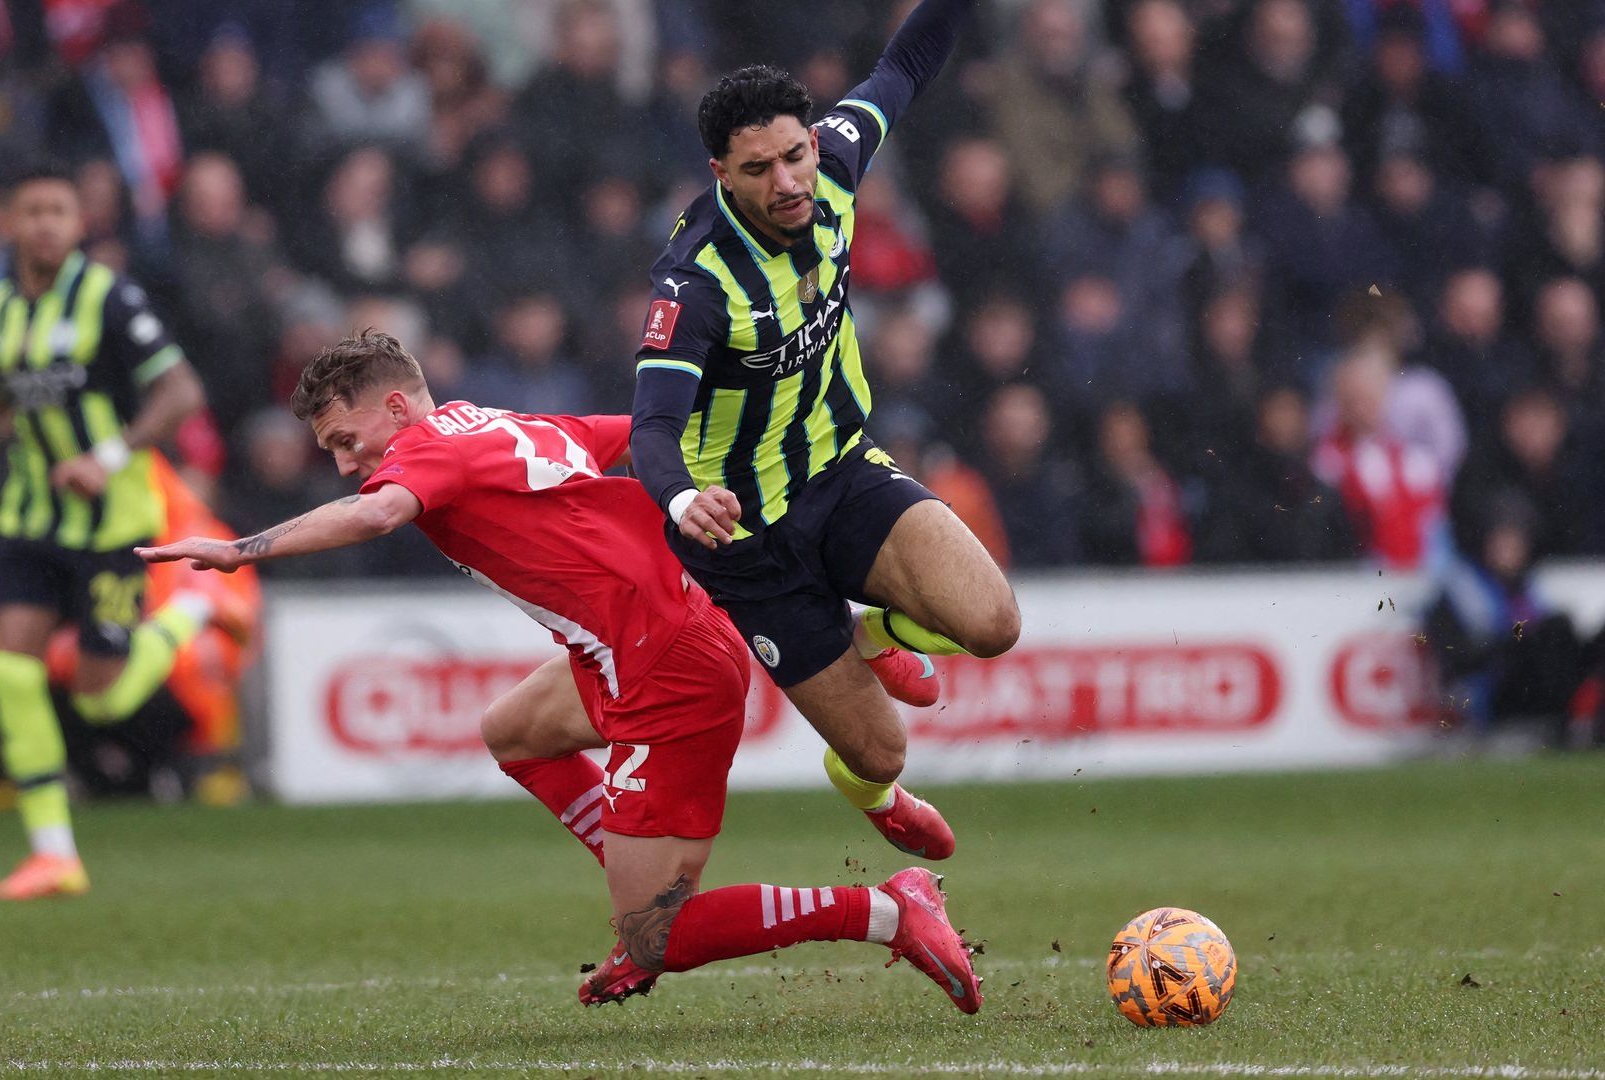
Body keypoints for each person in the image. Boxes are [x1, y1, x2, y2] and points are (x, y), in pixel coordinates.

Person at [138, 330, 985, 1012]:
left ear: (395, 407)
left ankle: (888, 909)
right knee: (511, 733)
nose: (346, 463)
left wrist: (239, 549)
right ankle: (640, 882)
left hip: (665, 670)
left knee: (662, 937)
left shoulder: (430, 449)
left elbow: (378, 514)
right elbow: (640, 436)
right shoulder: (499, 425)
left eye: (344, 439)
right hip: (632, 647)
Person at [629, 0, 1021, 861]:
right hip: (745, 537)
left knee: (993, 624)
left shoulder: (838, 159)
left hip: (840, 474)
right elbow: (650, 429)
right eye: (760, 168)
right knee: (882, 751)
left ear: (815, 139)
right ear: (722, 173)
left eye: (795, 155)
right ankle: (870, 793)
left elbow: (905, 66)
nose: (789, 182)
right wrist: (684, 495)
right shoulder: (695, 285)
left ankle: (868, 633)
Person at [0, 166, 233, 901]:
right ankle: (54, 854)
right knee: (10, 670)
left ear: (79, 225)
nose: (47, 223)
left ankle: (194, 615)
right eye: (34, 211)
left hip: (111, 523)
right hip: (31, 519)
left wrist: (106, 456)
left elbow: (181, 393)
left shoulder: (109, 297)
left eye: (60, 211)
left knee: (101, 700)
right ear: (13, 225)